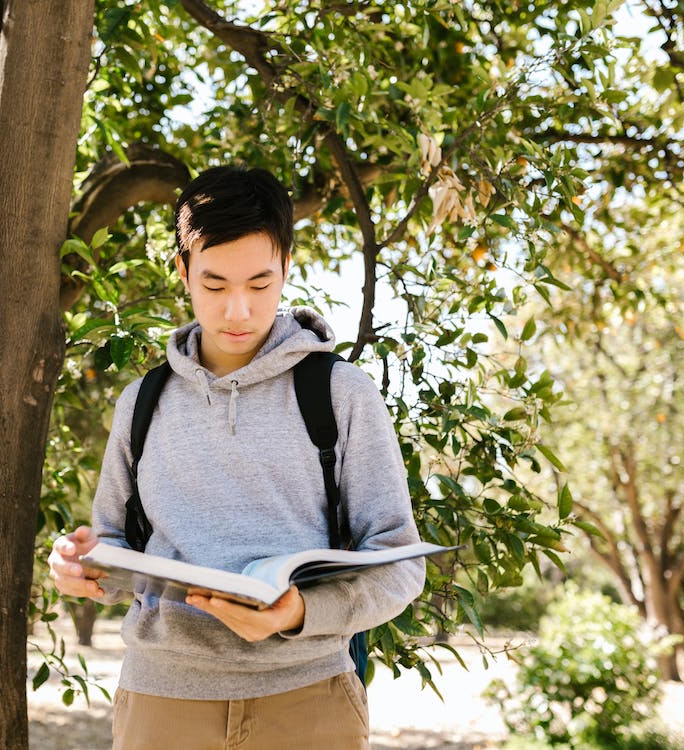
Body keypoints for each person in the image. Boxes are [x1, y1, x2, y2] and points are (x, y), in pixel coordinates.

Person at [48, 165, 426, 750]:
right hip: (162, 703)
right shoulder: (141, 403)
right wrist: (83, 568)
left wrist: (298, 612)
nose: (238, 311)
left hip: (308, 700)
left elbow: (399, 563)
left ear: (287, 270)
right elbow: (113, 550)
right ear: (183, 271)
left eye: (259, 283)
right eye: (215, 285)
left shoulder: (340, 393)